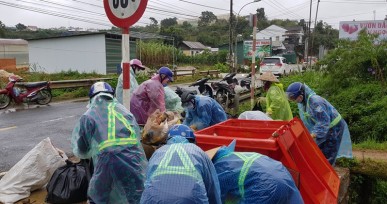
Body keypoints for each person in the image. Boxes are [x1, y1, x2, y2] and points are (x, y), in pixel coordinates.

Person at [71, 82, 148, 203]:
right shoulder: (125, 112)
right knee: (136, 192)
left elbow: (82, 148)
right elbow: (137, 135)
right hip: (133, 156)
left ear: (91, 98)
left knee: (99, 194)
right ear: (112, 96)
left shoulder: (89, 116)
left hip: (108, 158)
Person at [140, 124, 222, 204]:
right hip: (192, 199)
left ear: (168, 140)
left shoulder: (158, 152)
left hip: (153, 198)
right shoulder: (198, 151)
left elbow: (148, 181)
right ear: (192, 140)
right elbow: (211, 186)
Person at [211, 140, 304, 204]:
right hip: (281, 172)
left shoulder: (219, 169)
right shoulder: (231, 156)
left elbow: (216, 199)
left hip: (265, 186)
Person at [286, 82, 353, 165]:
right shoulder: (304, 102)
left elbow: (323, 121)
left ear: (301, 95)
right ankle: (323, 170)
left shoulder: (315, 102)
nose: (293, 100)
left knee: (328, 152)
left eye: (293, 98)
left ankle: (328, 174)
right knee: (319, 150)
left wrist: (314, 134)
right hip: (324, 127)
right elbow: (307, 119)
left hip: (334, 127)